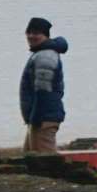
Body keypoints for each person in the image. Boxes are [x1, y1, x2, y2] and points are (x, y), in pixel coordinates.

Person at [18, 17, 67, 155]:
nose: (31, 36)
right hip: (40, 117)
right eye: (29, 32)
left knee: (45, 161)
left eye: (36, 33)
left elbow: (43, 92)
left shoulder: (45, 56)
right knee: (30, 157)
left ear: (45, 35)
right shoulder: (40, 53)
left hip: (43, 118)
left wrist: (35, 118)